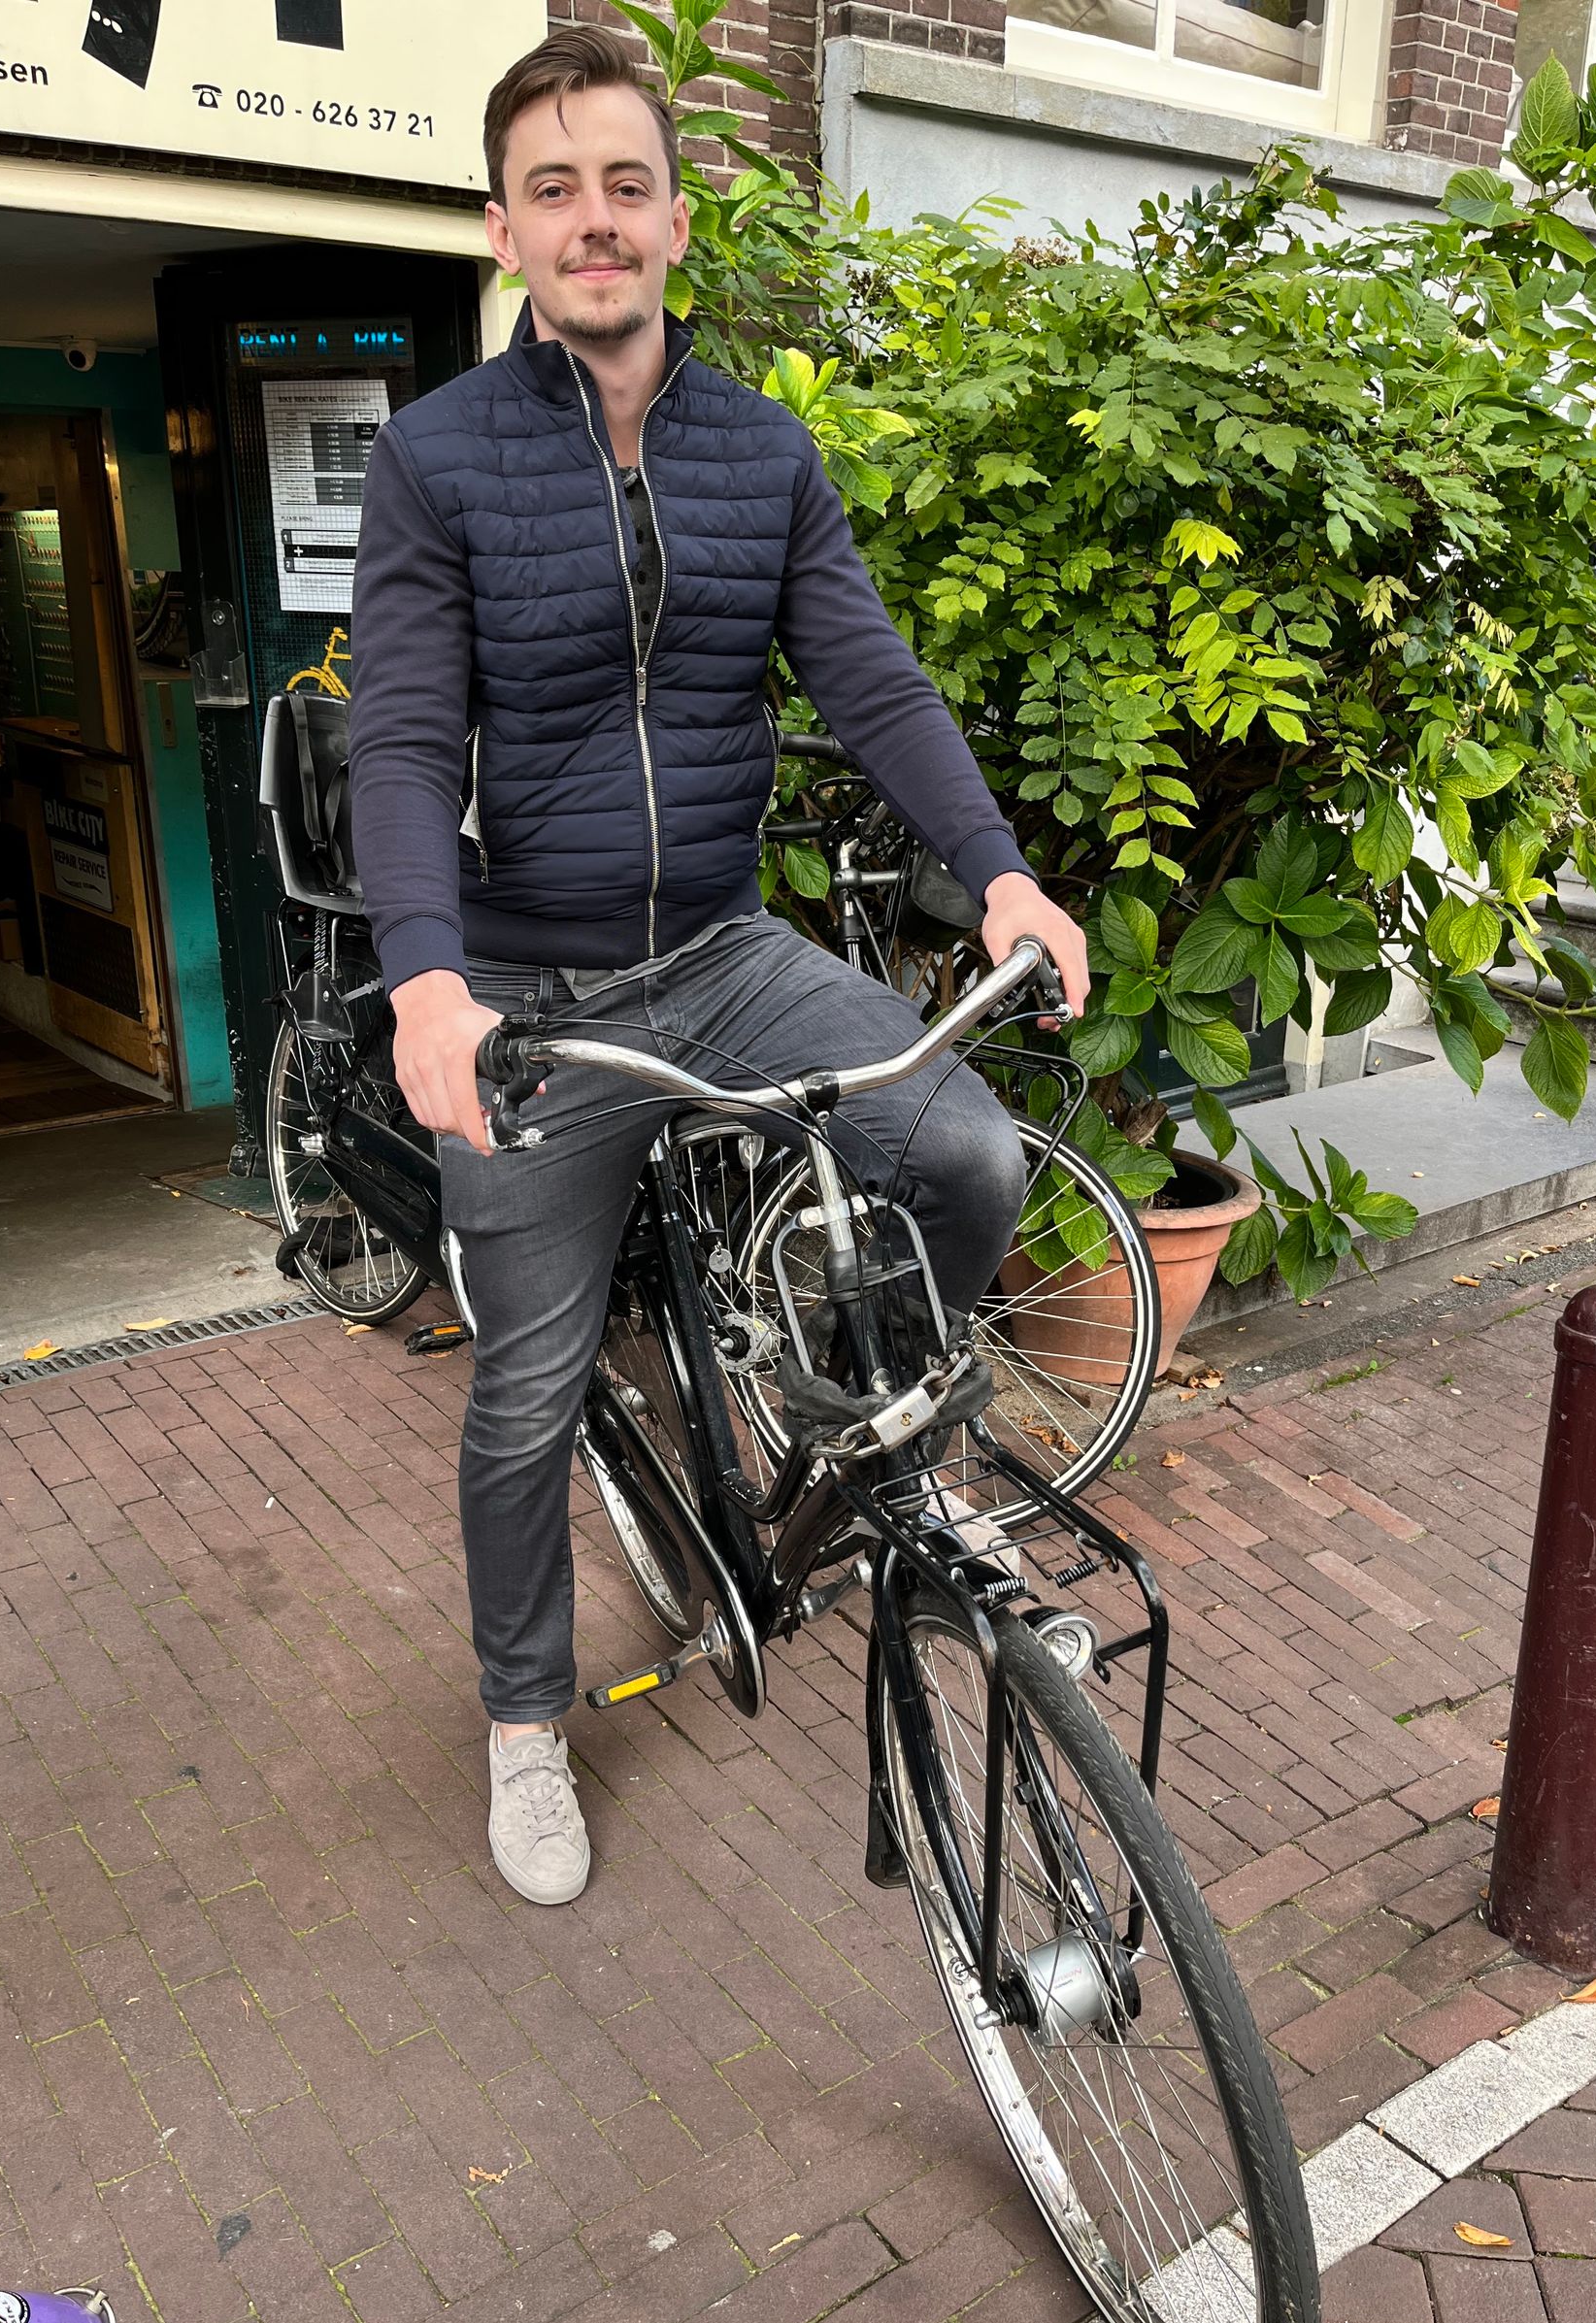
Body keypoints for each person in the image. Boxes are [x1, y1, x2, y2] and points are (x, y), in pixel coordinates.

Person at [347, 25, 1087, 1908]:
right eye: (552, 188)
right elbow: (410, 740)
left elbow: (871, 677)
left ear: (675, 213)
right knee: (522, 1386)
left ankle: (882, 1467)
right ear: (502, 228)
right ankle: (525, 1719)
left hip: (725, 948)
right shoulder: (438, 459)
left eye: (625, 182)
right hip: (532, 995)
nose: (594, 220)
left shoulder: (765, 450)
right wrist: (430, 977)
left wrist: (998, 871)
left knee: (966, 1154)